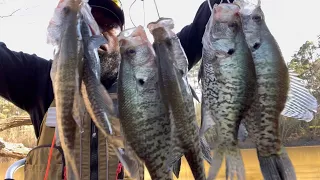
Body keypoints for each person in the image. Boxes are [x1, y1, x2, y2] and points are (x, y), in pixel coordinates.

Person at [0, 0, 229, 179]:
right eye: (93, 21)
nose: (99, 32)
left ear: (120, 39)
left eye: (109, 26)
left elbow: (201, 28)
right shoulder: (41, 78)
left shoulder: (145, 77)